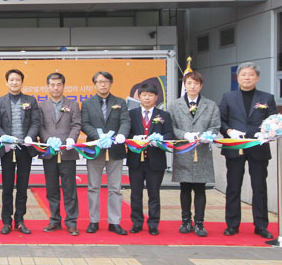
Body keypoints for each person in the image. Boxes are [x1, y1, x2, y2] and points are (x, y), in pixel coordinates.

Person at [219, 62, 277, 239]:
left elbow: (274, 120)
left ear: (257, 78)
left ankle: (261, 225)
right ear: (238, 78)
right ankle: (232, 224)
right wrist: (229, 131)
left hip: (258, 147)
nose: (247, 77)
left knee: (259, 187)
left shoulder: (267, 98)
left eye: (251, 74)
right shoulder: (228, 97)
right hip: (235, 146)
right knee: (233, 186)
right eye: (243, 74)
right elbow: (221, 120)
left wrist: (266, 133)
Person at [168, 71, 219, 237]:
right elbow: (171, 127)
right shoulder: (174, 105)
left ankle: (199, 222)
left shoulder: (210, 105)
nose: (192, 86)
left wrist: (207, 135)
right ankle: (185, 220)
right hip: (183, 150)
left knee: (200, 188)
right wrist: (184, 135)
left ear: (200, 86)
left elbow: (215, 126)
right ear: (184, 85)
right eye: (189, 83)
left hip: (202, 150)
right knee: (185, 187)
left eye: (195, 83)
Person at [81, 71, 130, 235]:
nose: (103, 84)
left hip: (115, 150)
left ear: (110, 83)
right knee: (93, 187)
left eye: (106, 81)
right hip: (95, 149)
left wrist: (121, 135)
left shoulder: (120, 102)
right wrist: (99, 137)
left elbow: (125, 120)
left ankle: (114, 222)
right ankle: (94, 221)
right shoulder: (87, 104)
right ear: (94, 84)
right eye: (99, 82)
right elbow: (85, 124)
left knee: (115, 188)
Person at [0, 69, 40, 235]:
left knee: (22, 187)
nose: (14, 82)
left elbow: (36, 122)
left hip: (24, 149)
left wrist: (30, 137)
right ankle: (6, 221)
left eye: (17, 80)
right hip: (7, 150)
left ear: (22, 82)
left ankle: (20, 220)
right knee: (6, 187)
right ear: (7, 82)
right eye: (11, 80)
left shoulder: (30, 100)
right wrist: (3, 136)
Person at [126, 83, 175, 236]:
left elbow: (170, 134)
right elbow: (125, 134)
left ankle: (153, 223)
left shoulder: (163, 115)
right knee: (135, 193)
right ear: (139, 97)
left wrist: (160, 139)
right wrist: (134, 138)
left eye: (150, 95)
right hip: (136, 160)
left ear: (156, 97)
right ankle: (137, 222)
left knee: (154, 193)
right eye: (144, 95)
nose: (147, 98)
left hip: (156, 160)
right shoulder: (131, 114)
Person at [37, 72, 82, 236]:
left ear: (63, 86)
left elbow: (76, 124)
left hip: (67, 152)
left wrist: (71, 140)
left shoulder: (73, 104)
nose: (55, 88)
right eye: (52, 85)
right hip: (49, 152)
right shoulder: (41, 106)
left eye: (58, 85)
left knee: (70, 188)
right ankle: (54, 219)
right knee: (51, 188)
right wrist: (48, 140)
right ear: (48, 86)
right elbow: (40, 126)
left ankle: (71, 222)